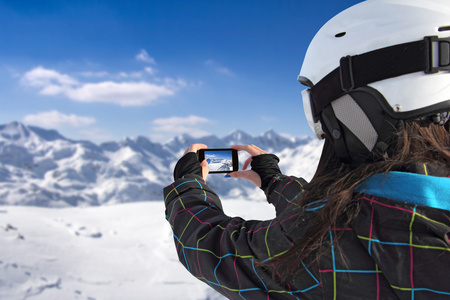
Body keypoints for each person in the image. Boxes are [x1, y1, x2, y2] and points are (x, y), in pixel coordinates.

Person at [163, 0, 450, 299]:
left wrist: (188, 184)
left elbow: (211, 249)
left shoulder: (332, 243)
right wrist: (274, 182)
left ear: (353, 105)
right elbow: (335, 215)